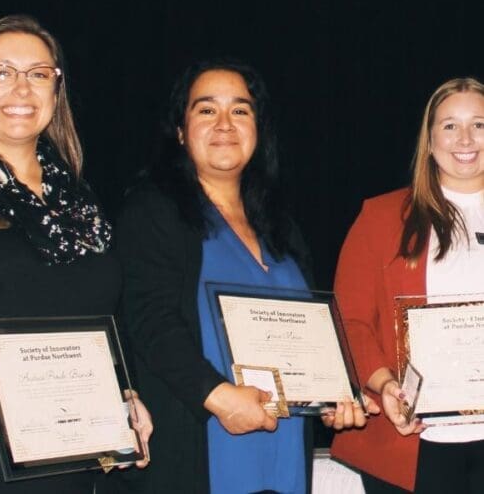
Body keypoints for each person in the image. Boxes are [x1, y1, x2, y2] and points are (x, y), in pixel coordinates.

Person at [114, 57, 375, 494]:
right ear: (180, 130)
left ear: (258, 128)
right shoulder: (152, 210)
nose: (224, 123)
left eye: (240, 110)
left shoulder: (279, 225)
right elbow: (149, 321)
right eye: (205, 109)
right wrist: (219, 397)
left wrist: (333, 396)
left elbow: (312, 334)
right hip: (204, 443)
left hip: (283, 448)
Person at [0, 14, 152, 494]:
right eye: (0, 72)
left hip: (80, 459)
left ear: (56, 93)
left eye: (38, 74)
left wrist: (127, 393)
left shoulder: (81, 201)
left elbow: (104, 318)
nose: (21, 88)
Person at [331, 77, 484, 493]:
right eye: (450, 125)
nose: (465, 138)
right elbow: (351, 322)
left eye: (479, 124)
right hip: (411, 444)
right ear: (429, 139)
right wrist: (385, 385)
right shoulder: (380, 218)